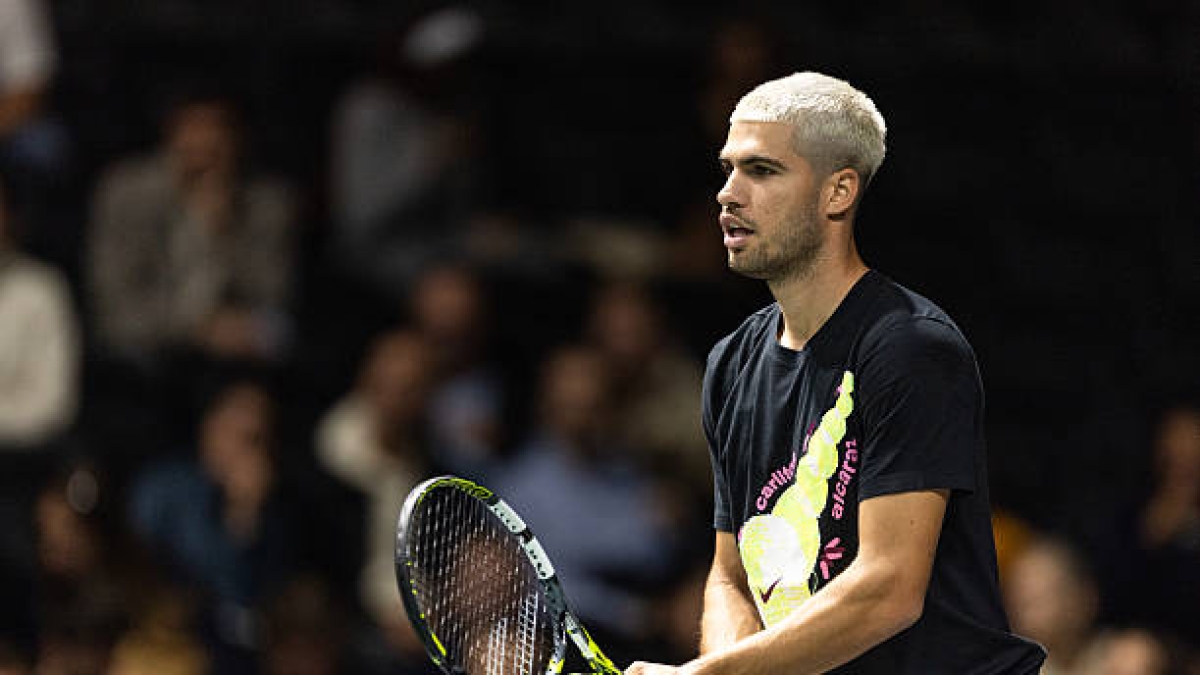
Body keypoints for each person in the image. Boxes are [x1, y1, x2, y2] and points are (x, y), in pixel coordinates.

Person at [627, 72, 1045, 674]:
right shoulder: (729, 363)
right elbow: (733, 578)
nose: (728, 193)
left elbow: (889, 590)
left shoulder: (911, 348)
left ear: (838, 192)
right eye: (728, 168)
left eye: (762, 171)